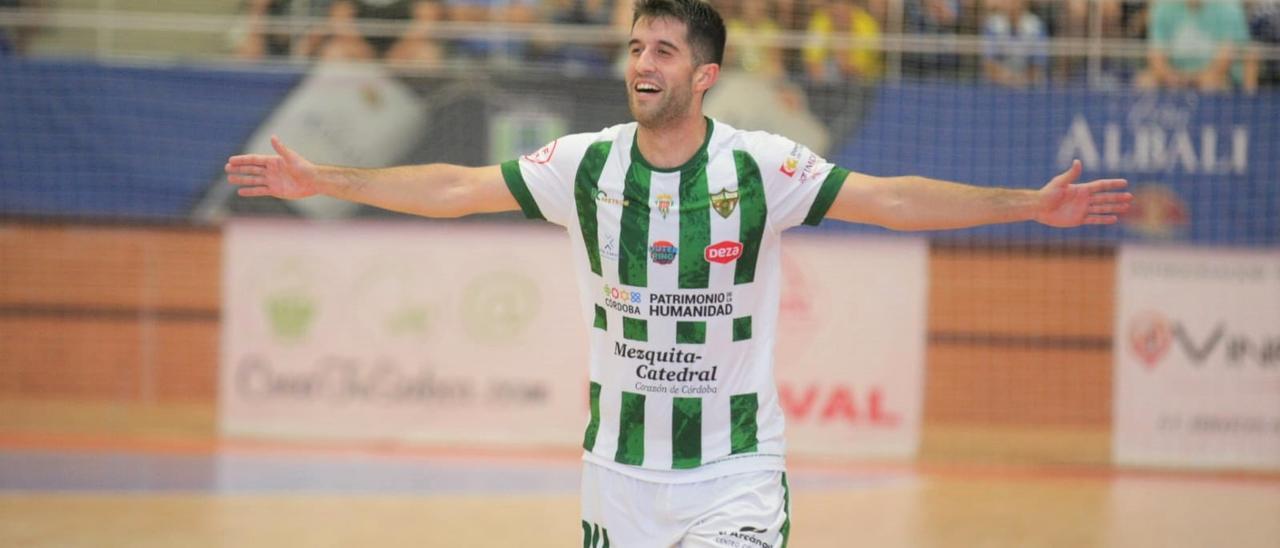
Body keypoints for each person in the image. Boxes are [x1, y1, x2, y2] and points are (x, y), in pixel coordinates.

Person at [225, 0, 1132, 545]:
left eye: (661, 51)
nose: (641, 64)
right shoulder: (585, 164)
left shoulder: (761, 166)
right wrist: (326, 180)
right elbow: (457, 186)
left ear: (705, 74)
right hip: (616, 473)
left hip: (733, 469)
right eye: (634, 48)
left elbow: (892, 200)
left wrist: (1024, 203)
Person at [1134, 0, 1256, 92]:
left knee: (1210, 85)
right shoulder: (1162, 6)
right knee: (1145, 81)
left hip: (1215, 76)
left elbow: (1225, 57)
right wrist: (1170, 77)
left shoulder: (1228, 7)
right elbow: (1156, 54)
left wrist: (1199, 78)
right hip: (1173, 74)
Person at [982, 0, 1048, 88]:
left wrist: (1022, 80)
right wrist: (1005, 78)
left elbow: (1038, 67)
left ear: (1025, 3)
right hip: (998, 87)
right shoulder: (992, 25)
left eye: (1016, 1)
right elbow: (989, 65)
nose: (1012, 4)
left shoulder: (1037, 26)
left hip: (1028, 87)